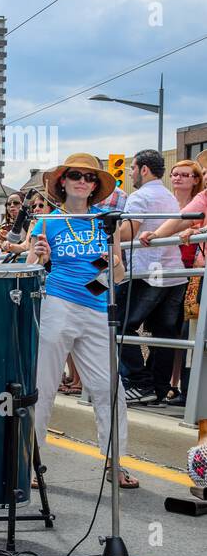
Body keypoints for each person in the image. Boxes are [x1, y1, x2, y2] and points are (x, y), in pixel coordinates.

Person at [29, 153, 135, 488]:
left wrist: (108, 264)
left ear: (95, 188)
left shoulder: (106, 221)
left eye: (90, 178)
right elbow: (31, 267)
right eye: (76, 175)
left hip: (96, 308)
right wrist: (40, 257)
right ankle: (30, 462)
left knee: (108, 387)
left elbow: (118, 274)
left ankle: (114, 462)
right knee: (42, 386)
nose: (83, 182)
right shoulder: (48, 222)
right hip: (58, 304)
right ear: (63, 181)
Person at [111, 149, 185, 407]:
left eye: (133, 168)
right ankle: (159, 388)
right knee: (164, 333)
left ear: (143, 169)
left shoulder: (139, 196)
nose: (130, 173)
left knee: (118, 324)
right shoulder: (168, 196)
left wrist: (108, 231)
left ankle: (139, 383)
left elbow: (129, 232)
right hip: (174, 272)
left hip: (147, 271)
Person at [167, 160, 204, 402]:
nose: (178, 178)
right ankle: (178, 385)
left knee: (187, 331)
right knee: (180, 330)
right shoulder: (170, 204)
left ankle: (187, 390)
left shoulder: (199, 202)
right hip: (175, 273)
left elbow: (193, 224)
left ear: (195, 179)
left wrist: (196, 230)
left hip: (193, 270)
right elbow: (170, 225)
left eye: (184, 174)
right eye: (175, 174)